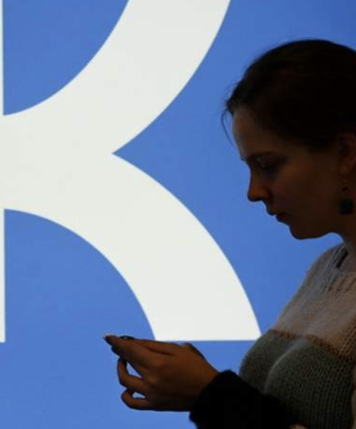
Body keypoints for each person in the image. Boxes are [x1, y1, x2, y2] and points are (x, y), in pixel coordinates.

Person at [105, 39, 356, 429]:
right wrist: (203, 390)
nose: (254, 192)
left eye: (269, 165)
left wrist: (210, 396)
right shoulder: (329, 268)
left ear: (345, 152)